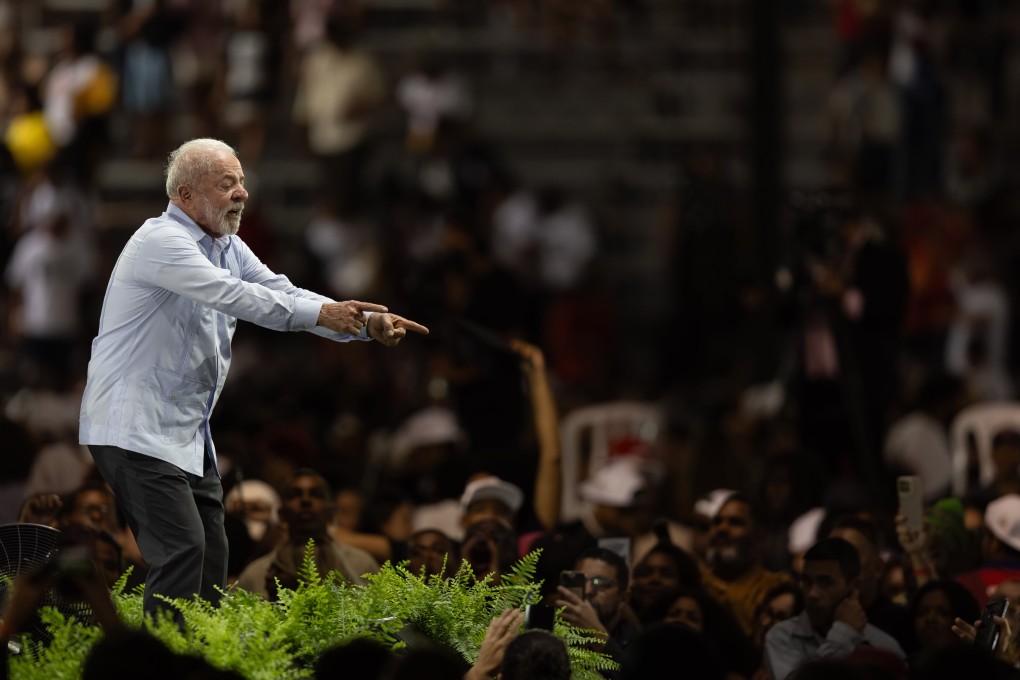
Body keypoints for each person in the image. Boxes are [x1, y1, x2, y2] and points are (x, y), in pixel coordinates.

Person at [78, 138, 427, 620]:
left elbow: (280, 291)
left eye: (242, 182)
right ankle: (160, 666)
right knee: (182, 549)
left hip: (185, 435)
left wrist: (363, 324)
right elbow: (238, 297)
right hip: (133, 427)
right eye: (227, 184)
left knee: (212, 555)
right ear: (185, 195)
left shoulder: (228, 247)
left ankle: (202, 660)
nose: (242, 193)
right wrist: (326, 313)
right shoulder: (160, 241)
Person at [763, 537, 906, 680]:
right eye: (807, 582)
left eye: (826, 583)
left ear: (854, 586)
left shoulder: (884, 646)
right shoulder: (782, 637)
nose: (812, 593)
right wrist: (844, 634)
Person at [234, 468, 379, 599]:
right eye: (295, 495)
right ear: (281, 514)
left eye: (315, 494)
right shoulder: (256, 575)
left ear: (331, 513)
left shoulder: (361, 565)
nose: (305, 500)